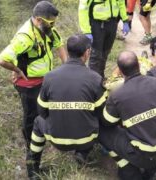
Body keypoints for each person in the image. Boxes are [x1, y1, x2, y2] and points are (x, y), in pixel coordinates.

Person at [26, 34, 107, 179]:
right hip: (86, 139)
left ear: (68, 52)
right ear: (87, 52)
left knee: (38, 121)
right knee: (100, 117)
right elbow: (101, 113)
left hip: (56, 140)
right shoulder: (95, 78)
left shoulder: (50, 77)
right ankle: (82, 152)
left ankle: (32, 169)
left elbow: (42, 111)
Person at [99, 51, 156, 180]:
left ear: (121, 72)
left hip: (144, 156)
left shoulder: (117, 96)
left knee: (103, 131)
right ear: (139, 66)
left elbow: (108, 122)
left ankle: (128, 168)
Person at [0, 1, 67, 149]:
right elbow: (2, 59)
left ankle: (42, 134)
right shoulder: (25, 37)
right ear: (39, 20)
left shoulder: (46, 29)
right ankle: (31, 144)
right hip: (28, 84)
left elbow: (58, 44)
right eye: (51, 23)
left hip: (43, 80)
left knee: (43, 109)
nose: (53, 26)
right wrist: (17, 70)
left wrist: (67, 66)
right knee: (31, 115)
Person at [78, 0, 130, 78]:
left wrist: (125, 20)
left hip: (112, 24)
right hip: (97, 25)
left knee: (105, 53)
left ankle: (101, 76)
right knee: (96, 54)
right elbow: (82, 10)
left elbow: (121, 3)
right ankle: (93, 80)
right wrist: (86, 31)